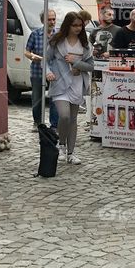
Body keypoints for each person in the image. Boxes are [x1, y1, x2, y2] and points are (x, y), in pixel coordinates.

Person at [46, 12, 94, 164]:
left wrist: (76, 63)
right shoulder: (57, 41)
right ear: (68, 25)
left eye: (80, 25)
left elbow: (91, 66)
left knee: (73, 119)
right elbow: (45, 60)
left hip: (77, 84)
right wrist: (48, 72)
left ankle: (71, 153)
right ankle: (61, 146)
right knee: (64, 116)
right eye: (74, 25)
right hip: (59, 84)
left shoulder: (85, 44)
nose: (78, 28)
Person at [25, 11, 59, 131]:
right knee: (37, 98)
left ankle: (54, 125)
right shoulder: (35, 34)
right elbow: (27, 52)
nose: (52, 22)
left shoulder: (59, 34)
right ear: (43, 21)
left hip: (55, 71)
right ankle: (37, 122)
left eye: (54, 19)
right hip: (37, 71)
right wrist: (33, 57)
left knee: (55, 98)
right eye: (49, 19)